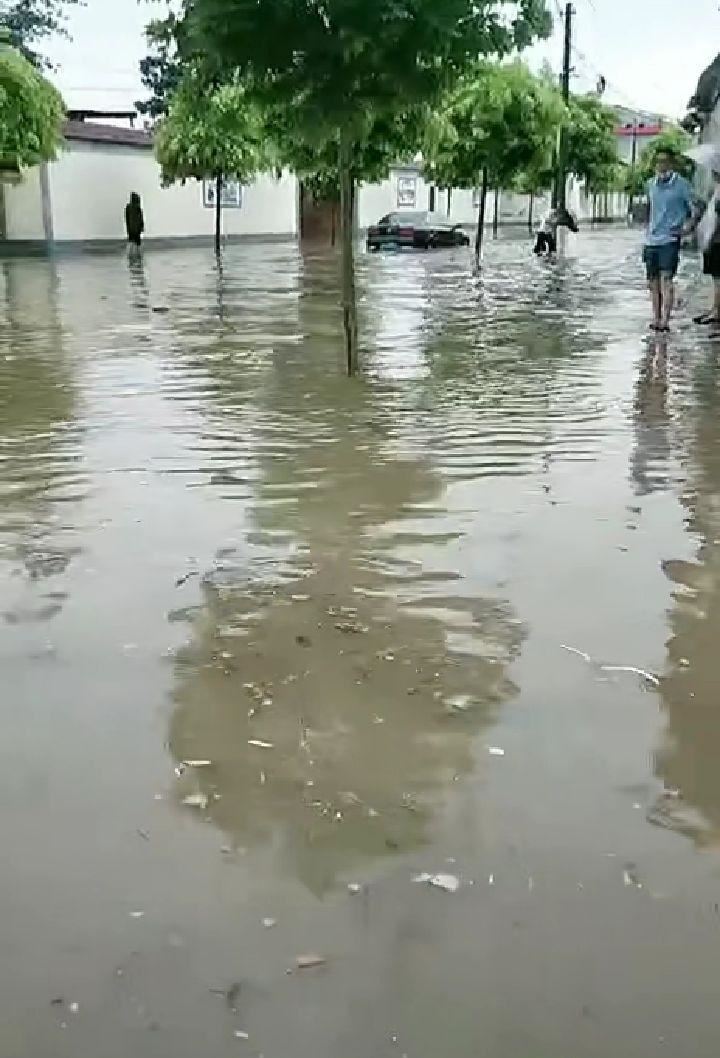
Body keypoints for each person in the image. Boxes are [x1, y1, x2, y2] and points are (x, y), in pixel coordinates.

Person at [642, 152, 694, 332]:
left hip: (670, 239)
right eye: (658, 162)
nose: (661, 165)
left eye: (664, 162)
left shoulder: (682, 185)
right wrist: (647, 228)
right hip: (651, 240)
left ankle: (665, 320)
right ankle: (655, 318)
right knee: (652, 282)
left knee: (666, 279)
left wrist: (687, 228)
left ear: (671, 164)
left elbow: (696, 208)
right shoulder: (650, 184)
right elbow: (649, 208)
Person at [692, 168, 720, 325]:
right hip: (714, 240)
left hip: (716, 241)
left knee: (717, 278)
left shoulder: (719, 194)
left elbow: (715, 221)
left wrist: (708, 239)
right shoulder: (716, 192)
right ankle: (714, 309)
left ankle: (716, 311)